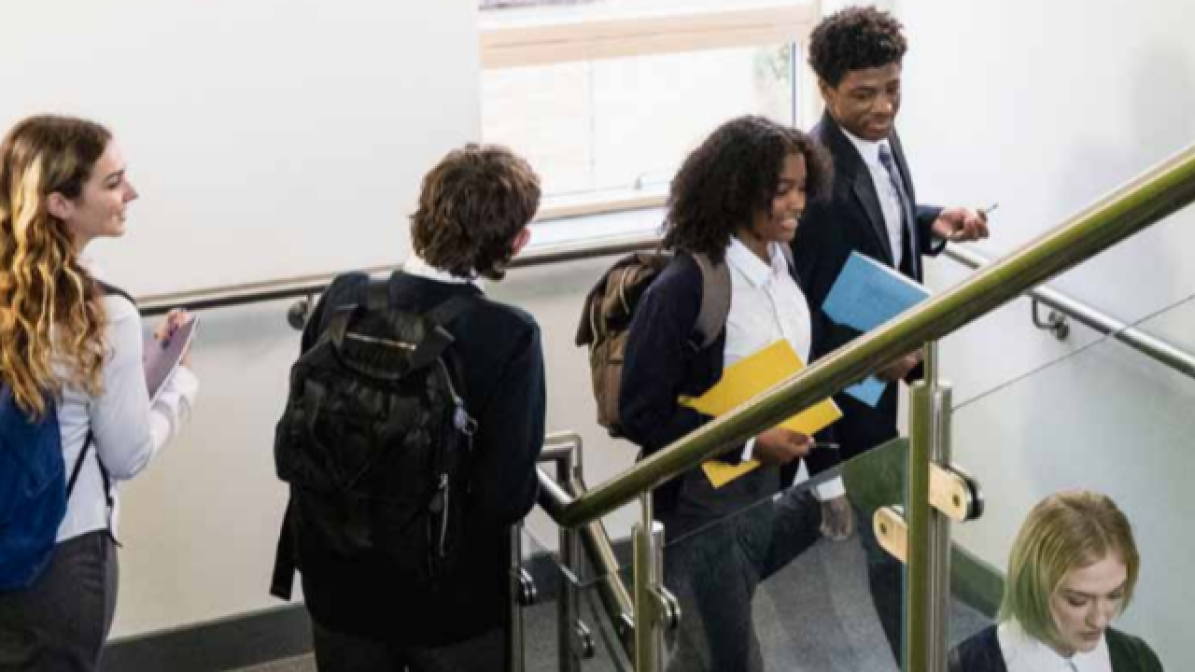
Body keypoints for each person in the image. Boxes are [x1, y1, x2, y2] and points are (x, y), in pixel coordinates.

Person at [288, 144, 546, 672]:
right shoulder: (508, 334)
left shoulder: (344, 297)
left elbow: (306, 431)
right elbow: (505, 496)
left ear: (423, 212)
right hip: (449, 605)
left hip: (337, 584)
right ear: (516, 242)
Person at [791, 7, 992, 661]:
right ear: (823, 88)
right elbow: (807, 313)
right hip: (849, 385)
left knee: (894, 525)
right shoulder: (811, 180)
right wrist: (871, 361)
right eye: (863, 94)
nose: (883, 107)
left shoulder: (880, 137)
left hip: (891, 367)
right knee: (890, 537)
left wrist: (937, 222)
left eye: (892, 89)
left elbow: (883, 224)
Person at [620, 115, 838, 672]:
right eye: (781, 190)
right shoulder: (688, 285)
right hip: (701, 502)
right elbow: (641, 413)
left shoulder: (785, 266)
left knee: (702, 653)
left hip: (765, 491)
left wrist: (826, 480)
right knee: (732, 658)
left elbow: (805, 375)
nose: (797, 204)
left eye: (801, 189)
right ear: (739, 191)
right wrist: (745, 444)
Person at [0, 115, 199, 671]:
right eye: (112, 182)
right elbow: (126, 453)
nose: (129, 192)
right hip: (61, 558)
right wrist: (178, 384)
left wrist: (132, 367)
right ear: (60, 203)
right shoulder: (102, 313)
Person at [949, 491, 1163, 671]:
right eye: (1078, 600)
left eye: (1114, 595)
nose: (1099, 620)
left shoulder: (1138, 660)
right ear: (1034, 586)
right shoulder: (964, 666)